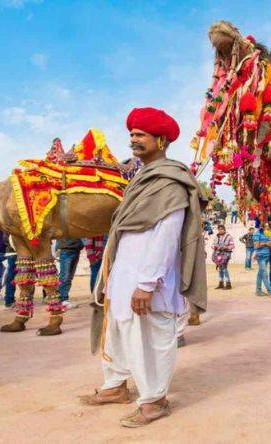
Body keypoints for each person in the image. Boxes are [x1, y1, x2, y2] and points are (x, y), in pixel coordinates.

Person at [83, 107, 207, 428]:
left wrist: (147, 283)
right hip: (124, 273)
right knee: (121, 333)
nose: (133, 140)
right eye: (132, 135)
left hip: (149, 278)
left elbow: (166, 236)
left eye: (140, 135)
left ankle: (154, 401)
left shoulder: (170, 182)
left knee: (149, 337)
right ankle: (116, 387)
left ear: (161, 140)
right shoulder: (141, 178)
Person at [56, 237, 84, 307]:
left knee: (69, 277)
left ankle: (64, 299)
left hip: (76, 249)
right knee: (65, 276)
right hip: (66, 250)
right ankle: (62, 299)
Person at [252, 228, 271, 297]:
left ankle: (258, 291)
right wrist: (266, 243)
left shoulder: (267, 233)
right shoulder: (256, 234)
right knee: (265, 274)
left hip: (267, 255)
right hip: (260, 256)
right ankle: (270, 292)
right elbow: (256, 245)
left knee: (260, 274)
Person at [212, 224, 234, 289]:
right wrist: (215, 247)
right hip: (218, 255)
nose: (220, 231)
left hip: (226, 254)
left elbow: (232, 246)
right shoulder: (216, 237)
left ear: (224, 230)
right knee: (220, 269)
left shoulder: (229, 236)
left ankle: (228, 284)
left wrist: (225, 247)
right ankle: (221, 283)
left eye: (221, 229)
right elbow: (213, 245)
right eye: (219, 229)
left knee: (224, 268)